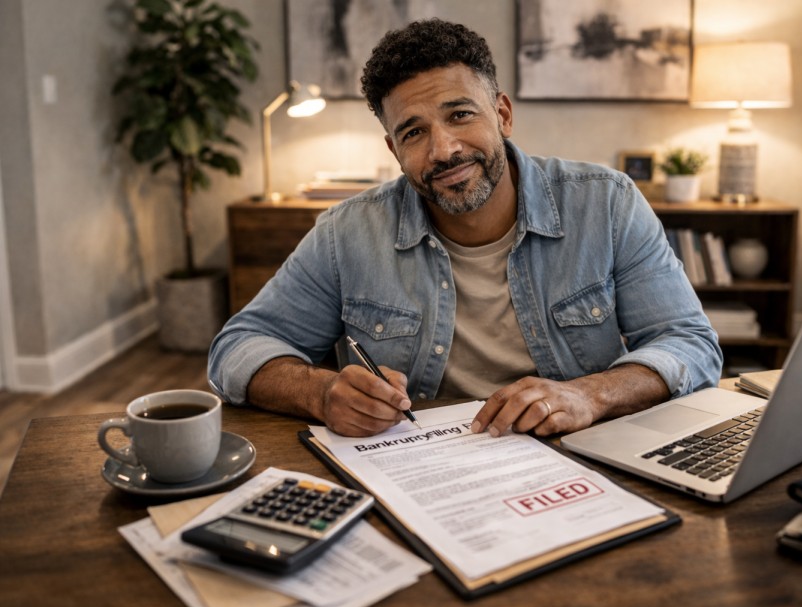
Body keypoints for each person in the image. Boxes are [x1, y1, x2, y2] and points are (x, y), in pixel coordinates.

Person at [208, 19, 721, 438]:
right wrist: (319, 393)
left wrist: (590, 393)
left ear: (502, 113)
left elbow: (690, 343)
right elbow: (238, 347)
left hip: (578, 454)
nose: (444, 149)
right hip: (418, 468)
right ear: (393, 149)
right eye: (414, 132)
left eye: (460, 114)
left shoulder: (606, 203)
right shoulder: (348, 233)